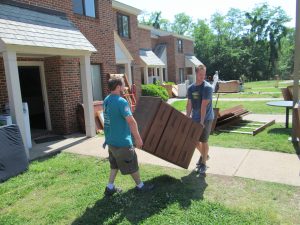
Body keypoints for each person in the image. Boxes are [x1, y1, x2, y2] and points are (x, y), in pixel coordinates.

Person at [103, 77, 154, 196]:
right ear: (118, 87)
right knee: (132, 163)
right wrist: (138, 138)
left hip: (111, 141)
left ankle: (110, 187)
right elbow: (131, 121)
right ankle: (140, 186)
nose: (124, 87)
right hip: (122, 142)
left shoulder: (106, 100)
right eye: (122, 85)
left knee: (114, 164)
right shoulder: (121, 101)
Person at [186, 65, 214, 174]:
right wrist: (187, 118)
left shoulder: (207, 88)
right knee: (194, 141)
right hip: (195, 118)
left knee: (204, 141)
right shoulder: (191, 88)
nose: (203, 76)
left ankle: (203, 164)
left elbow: (203, 106)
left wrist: (202, 122)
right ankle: (204, 155)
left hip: (206, 118)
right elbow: (189, 104)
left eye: (204, 74)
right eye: (200, 74)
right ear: (196, 73)